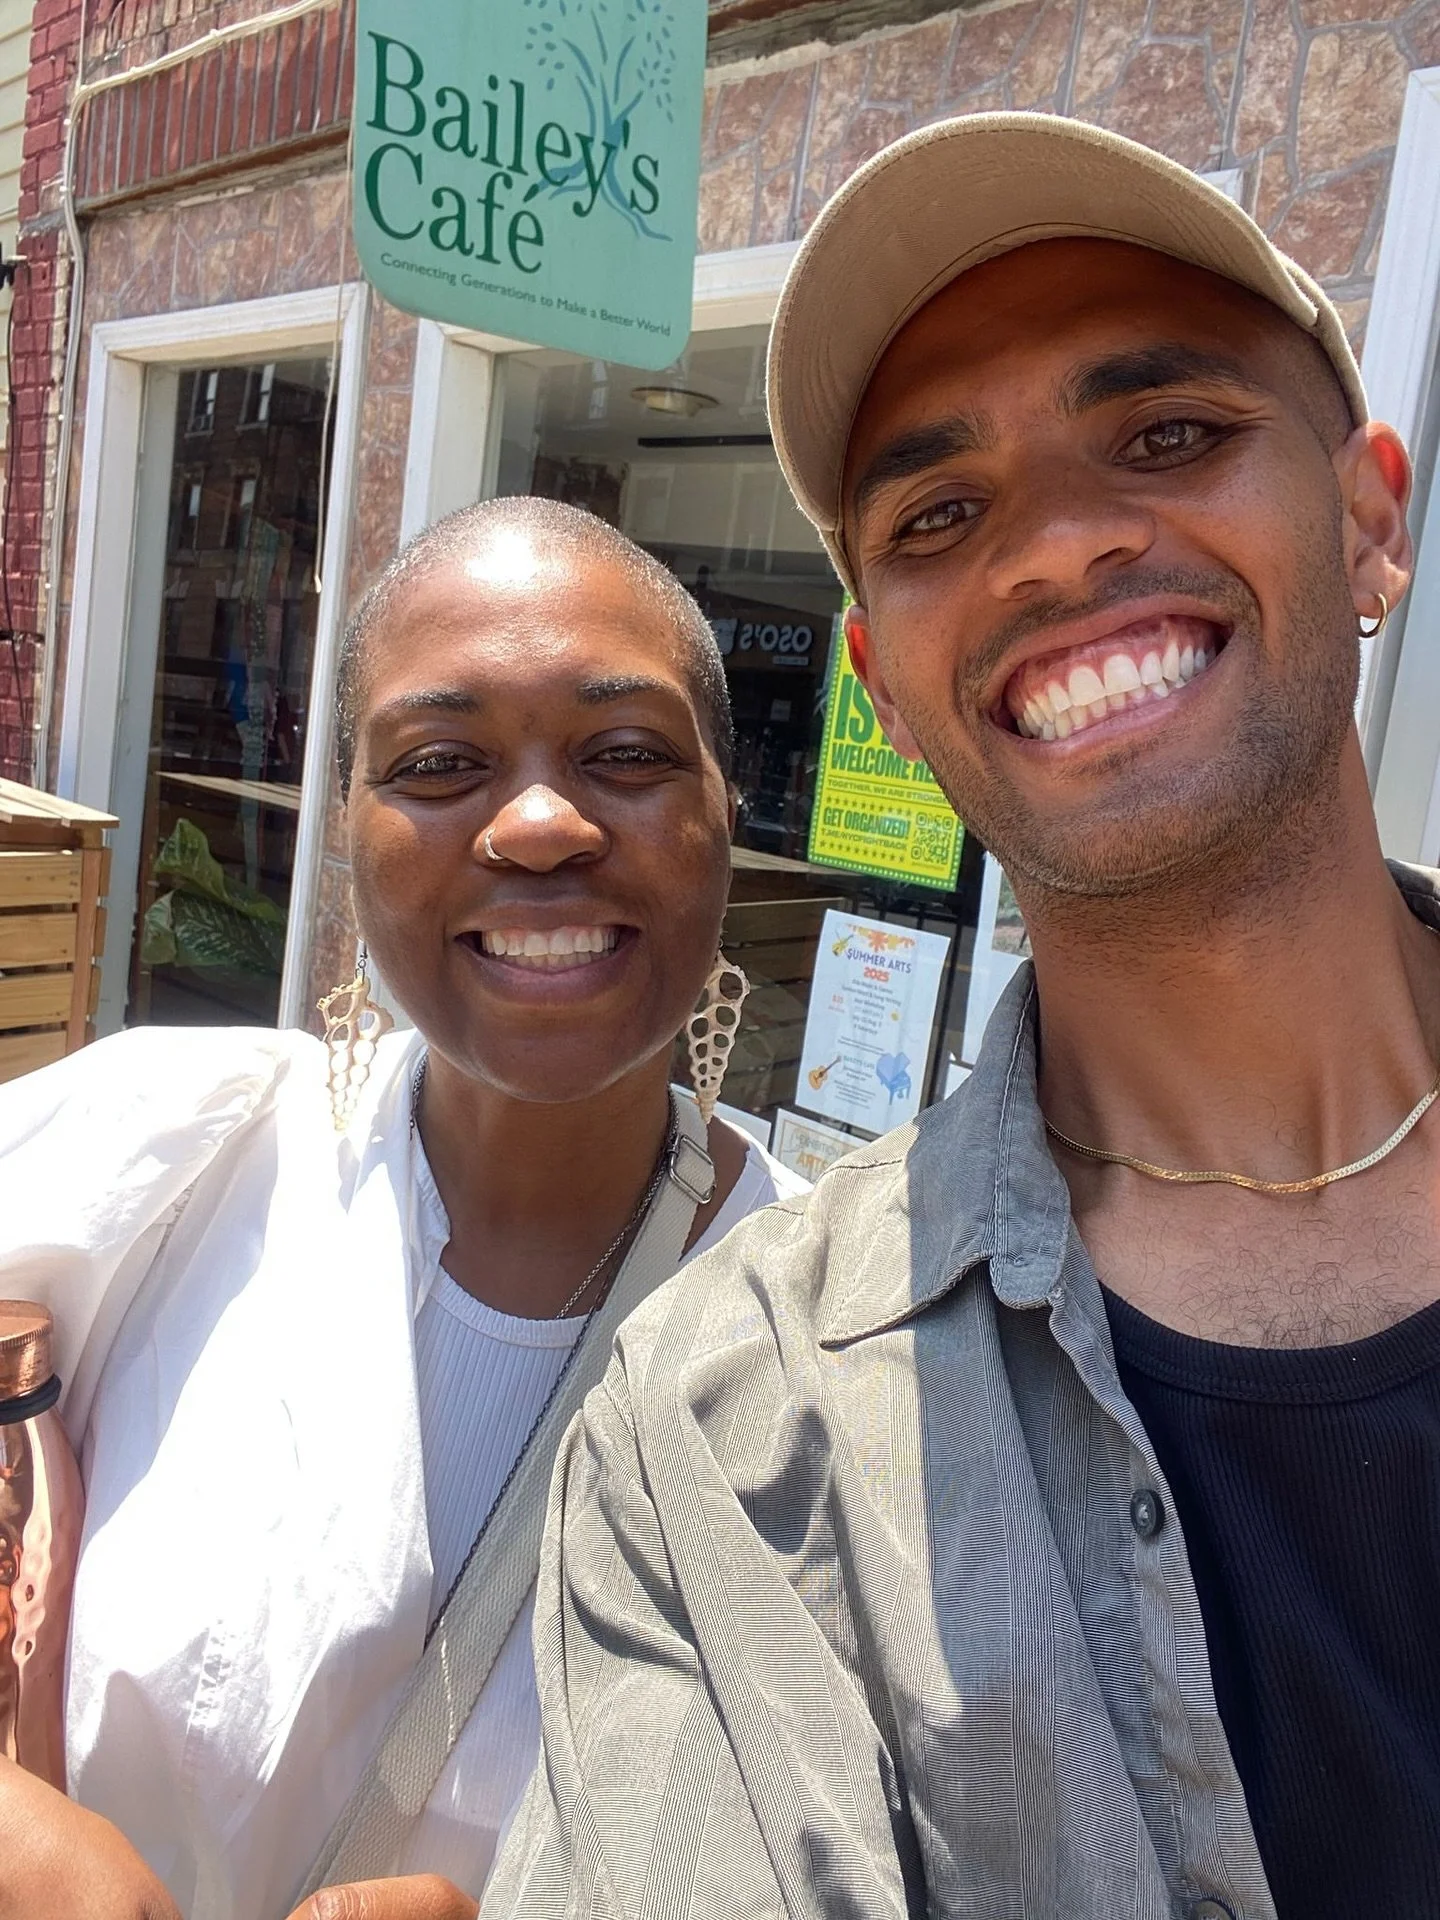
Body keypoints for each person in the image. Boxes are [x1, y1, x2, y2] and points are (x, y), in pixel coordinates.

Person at [483, 116, 1437, 1920]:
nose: (1060, 549)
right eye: (938, 515)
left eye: (1170, 434)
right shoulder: (723, 1443)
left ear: (1370, 516)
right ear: (889, 696)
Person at [0, 496, 806, 1920]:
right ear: (351, 835)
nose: (545, 822)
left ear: (725, 814)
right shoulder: (169, 1161)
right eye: (440, 763)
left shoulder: (842, 1341)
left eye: (626, 754)